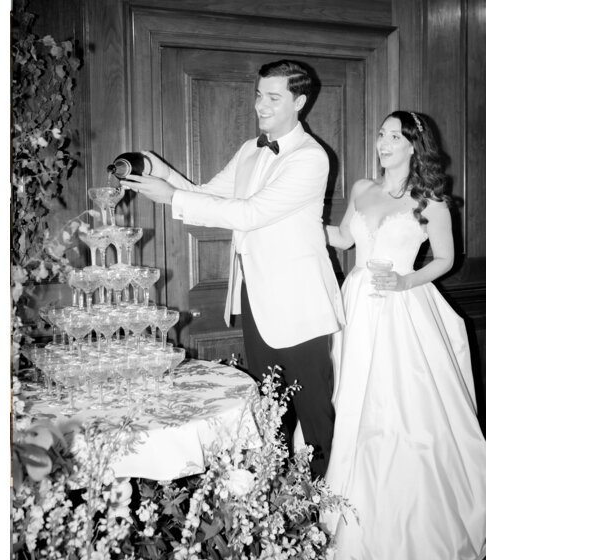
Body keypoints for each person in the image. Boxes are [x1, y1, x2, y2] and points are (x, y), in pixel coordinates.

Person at [122, 60, 345, 479]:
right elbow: (205, 196)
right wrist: (156, 170)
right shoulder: (249, 149)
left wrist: (171, 196)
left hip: (300, 305)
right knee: (269, 413)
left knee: (317, 420)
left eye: (273, 97)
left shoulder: (311, 158)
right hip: (254, 297)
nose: (261, 104)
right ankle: (274, 505)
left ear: (300, 101)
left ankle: (327, 515)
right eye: (259, 94)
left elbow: (251, 213)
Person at [323, 110, 486, 559]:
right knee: (350, 395)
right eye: (381, 134)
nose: (384, 142)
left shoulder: (429, 199)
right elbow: (341, 238)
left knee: (399, 406)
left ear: (414, 145)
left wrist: (404, 282)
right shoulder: (361, 188)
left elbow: (445, 260)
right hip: (355, 303)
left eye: (395, 136)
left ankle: (404, 518)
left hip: (401, 307)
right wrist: (296, 228)